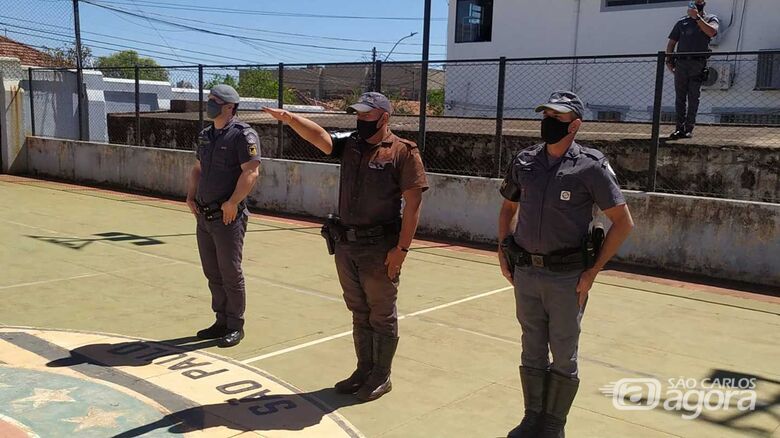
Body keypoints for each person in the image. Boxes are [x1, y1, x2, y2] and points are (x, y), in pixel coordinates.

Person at [262, 92, 428, 402]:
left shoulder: (402, 152)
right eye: (359, 114)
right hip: (347, 245)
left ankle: (382, 375)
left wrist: (402, 250)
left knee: (381, 314)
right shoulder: (351, 144)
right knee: (358, 311)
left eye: (367, 115)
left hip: (380, 248)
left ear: (384, 117)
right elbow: (321, 138)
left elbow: (415, 203)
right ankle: (363, 370)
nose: (361, 119)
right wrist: (291, 119)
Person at [498, 91, 634, 437]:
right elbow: (508, 208)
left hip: (567, 278)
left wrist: (592, 272)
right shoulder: (525, 161)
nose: (547, 123)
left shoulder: (591, 166)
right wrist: (503, 250)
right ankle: (532, 419)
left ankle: (554, 425)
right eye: (545, 115)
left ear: (574, 125)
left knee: (563, 352)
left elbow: (623, 222)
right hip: (526, 272)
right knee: (531, 345)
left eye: (556, 118)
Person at [185, 84, 261, 348]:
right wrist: (190, 195)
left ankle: (235, 325)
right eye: (209, 100)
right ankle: (220, 320)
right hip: (204, 215)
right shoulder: (206, 135)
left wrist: (233, 202)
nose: (209, 104)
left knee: (230, 272)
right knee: (212, 271)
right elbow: (198, 168)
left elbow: (251, 172)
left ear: (229, 106)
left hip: (228, 216)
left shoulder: (243, 135)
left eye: (214, 101)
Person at [666, 0, 719, 140]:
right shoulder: (682, 22)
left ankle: (689, 129)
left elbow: (712, 32)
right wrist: (669, 60)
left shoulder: (710, 19)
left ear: (703, 4)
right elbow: (672, 43)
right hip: (682, 64)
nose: (695, 4)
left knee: (694, 97)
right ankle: (679, 129)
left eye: (698, 2)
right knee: (680, 98)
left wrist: (697, 18)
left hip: (698, 64)